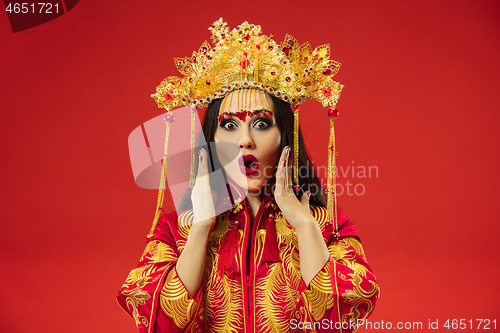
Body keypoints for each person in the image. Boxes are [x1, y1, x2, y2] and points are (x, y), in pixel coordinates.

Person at [117, 19, 379, 333]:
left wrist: (305, 225)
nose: (244, 140)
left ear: (286, 136)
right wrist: (200, 228)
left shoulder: (329, 226)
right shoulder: (175, 230)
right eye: (229, 126)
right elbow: (157, 321)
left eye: (261, 124)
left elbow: (339, 318)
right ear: (210, 142)